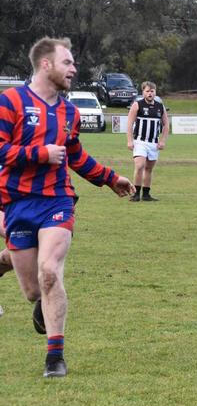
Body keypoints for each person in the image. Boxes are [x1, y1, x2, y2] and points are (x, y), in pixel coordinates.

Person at [0, 37, 135, 377]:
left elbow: (74, 155)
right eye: (67, 62)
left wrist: (108, 178)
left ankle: (55, 359)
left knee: (49, 272)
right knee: (32, 291)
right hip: (17, 203)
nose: (74, 68)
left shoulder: (68, 112)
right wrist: (40, 154)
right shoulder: (10, 102)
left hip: (57, 200)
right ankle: (6, 263)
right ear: (46, 64)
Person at [127, 81, 169, 202]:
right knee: (139, 165)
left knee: (149, 169)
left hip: (153, 143)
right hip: (140, 141)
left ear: (155, 92)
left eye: (152, 91)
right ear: (143, 92)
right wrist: (130, 141)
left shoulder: (160, 106)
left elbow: (166, 125)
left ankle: (146, 194)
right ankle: (136, 194)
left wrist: (162, 141)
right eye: (147, 91)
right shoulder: (137, 105)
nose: (150, 93)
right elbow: (129, 124)